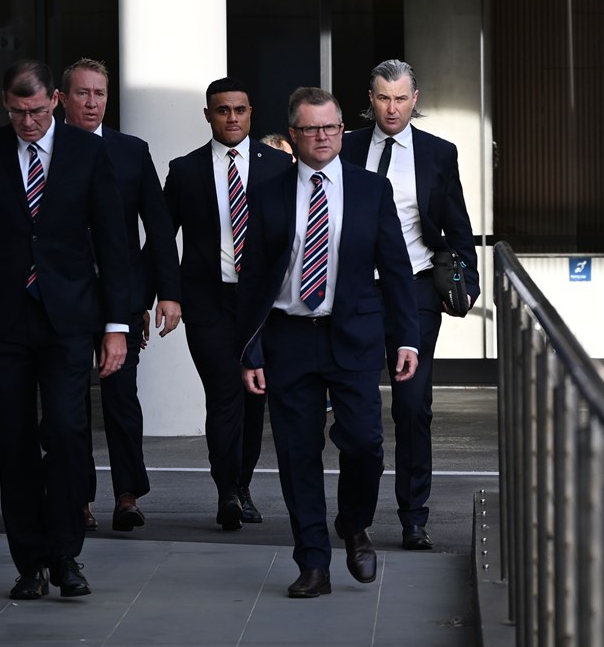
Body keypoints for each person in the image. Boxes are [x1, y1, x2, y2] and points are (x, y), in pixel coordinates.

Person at [0, 59, 130, 600]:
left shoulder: (87, 152)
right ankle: (30, 564)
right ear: (6, 105)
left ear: (55, 102)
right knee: (15, 439)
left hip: (67, 318)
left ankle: (65, 555)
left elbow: (113, 241)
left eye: (37, 111)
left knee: (67, 433)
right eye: (17, 112)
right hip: (1, 320)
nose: (27, 122)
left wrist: (116, 325)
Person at [237, 86, 419, 598]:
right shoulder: (268, 191)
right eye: (311, 129)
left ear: (342, 130)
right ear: (293, 135)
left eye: (331, 127)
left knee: (364, 443)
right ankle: (313, 562)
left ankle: (354, 523)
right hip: (289, 338)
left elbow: (396, 269)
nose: (323, 137)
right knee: (298, 454)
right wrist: (249, 350)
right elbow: (254, 277)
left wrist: (406, 338)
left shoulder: (370, 189)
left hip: (354, 336)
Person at [340, 59, 479, 551]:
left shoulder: (438, 153)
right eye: (383, 98)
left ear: (415, 99)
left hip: (415, 293)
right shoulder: (346, 146)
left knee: (413, 406)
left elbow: (456, 222)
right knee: (354, 409)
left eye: (401, 98)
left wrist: (467, 279)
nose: (392, 108)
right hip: (356, 294)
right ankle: (354, 515)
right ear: (370, 99)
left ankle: (414, 518)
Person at [163, 77, 292, 530]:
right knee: (224, 393)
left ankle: (243, 484)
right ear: (208, 115)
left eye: (239, 109)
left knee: (254, 398)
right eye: (222, 110)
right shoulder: (185, 170)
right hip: (208, 302)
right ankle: (227, 493)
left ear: (251, 112)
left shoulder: (280, 165)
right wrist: (163, 294)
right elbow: (162, 238)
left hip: (262, 305)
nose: (232, 118)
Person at [59, 58, 182, 532]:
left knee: (121, 398)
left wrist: (164, 293)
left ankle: (127, 494)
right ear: (62, 99)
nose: (92, 103)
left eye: (100, 94)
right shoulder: (48, 149)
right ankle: (76, 497)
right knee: (68, 403)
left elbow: (159, 226)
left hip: (122, 296)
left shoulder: (131, 151)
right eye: (83, 93)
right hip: (65, 298)